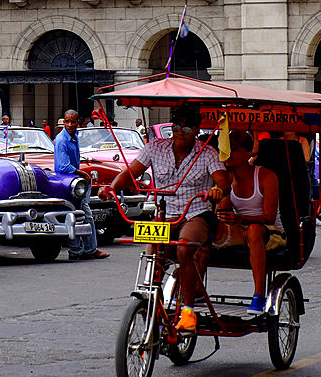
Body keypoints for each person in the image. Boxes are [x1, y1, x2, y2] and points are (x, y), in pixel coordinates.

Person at [110, 103, 229, 332]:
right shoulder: (155, 148)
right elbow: (130, 173)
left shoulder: (207, 154)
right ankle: (150, 296)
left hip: (196, 214)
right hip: (165, 214)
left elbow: (224, 182)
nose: (179, 132)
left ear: (196, 130)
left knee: (184, 248)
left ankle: (188, 311)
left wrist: (217, 190)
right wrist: (112, 187)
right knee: (153, 253)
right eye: (176, 126)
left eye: (186, 128)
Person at [212, 130, 283, 314]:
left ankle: (259, 294)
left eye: (233, 149)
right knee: (204, 229)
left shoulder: (266, 176)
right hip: (241, 228)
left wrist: (239, 219)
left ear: (248, 152)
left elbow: (269, 217)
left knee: (253, 231)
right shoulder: (226, 178)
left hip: (270, 231)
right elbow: (222, 209)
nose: (227, 154)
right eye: (225, 150)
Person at [54, 110, 108, 261]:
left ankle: (79, 250)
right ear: (63, 122)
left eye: (73, 122)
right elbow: (64, 167)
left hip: (75, 184)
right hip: (67, 183)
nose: (70, 125)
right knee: (83, 215)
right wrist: (82, 173)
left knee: (78, 216)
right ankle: (86, 249)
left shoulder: (74, 136)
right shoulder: (61, 140)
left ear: (78, 122)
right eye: (67, 122)